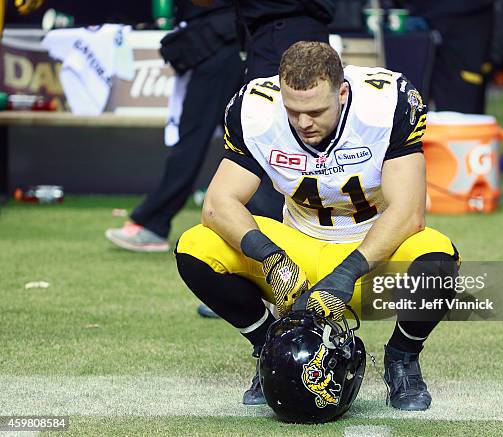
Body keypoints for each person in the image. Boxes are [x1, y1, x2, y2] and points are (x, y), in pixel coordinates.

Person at [175, 42, 460, 409]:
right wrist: (272, 258)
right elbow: (217, 204)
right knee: (195, 247)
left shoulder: (386, 104)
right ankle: (270, 348)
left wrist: (346, 274)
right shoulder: (255, 110)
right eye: (293, 111)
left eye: (315, 111)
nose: (304, 123)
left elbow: (407, 213)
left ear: (342, 92)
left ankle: (402, 358)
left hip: (372, 255)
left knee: (437, 259)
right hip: (299, 250)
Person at [105, 0, 336, 252]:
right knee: (252, 142)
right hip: (252, 38)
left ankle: (157, 221)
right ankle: (160, 220)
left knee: (277, 141)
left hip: (266, 39)